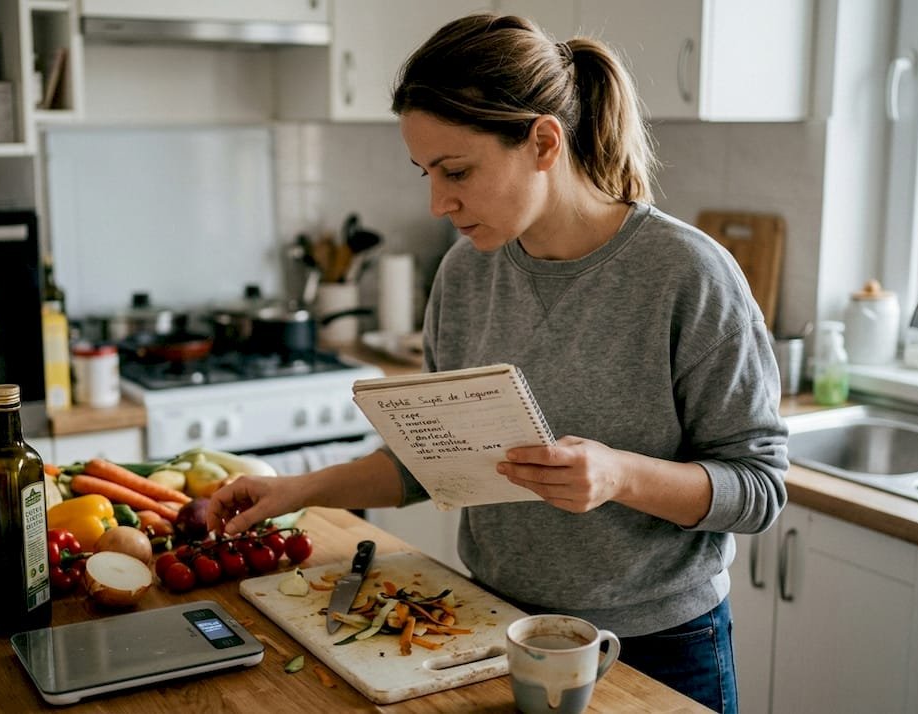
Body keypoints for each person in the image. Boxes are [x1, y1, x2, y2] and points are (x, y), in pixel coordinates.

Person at [209, 13, 787, 713]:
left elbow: (758, 489)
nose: (437, 201)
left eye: (457, 171)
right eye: (427, 173)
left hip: (658, 645)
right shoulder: (464, 273)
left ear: (543, 141)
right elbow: (436, 461)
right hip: (492, 629)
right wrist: (296, 490)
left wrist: (619, 474)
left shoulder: (687, 274)